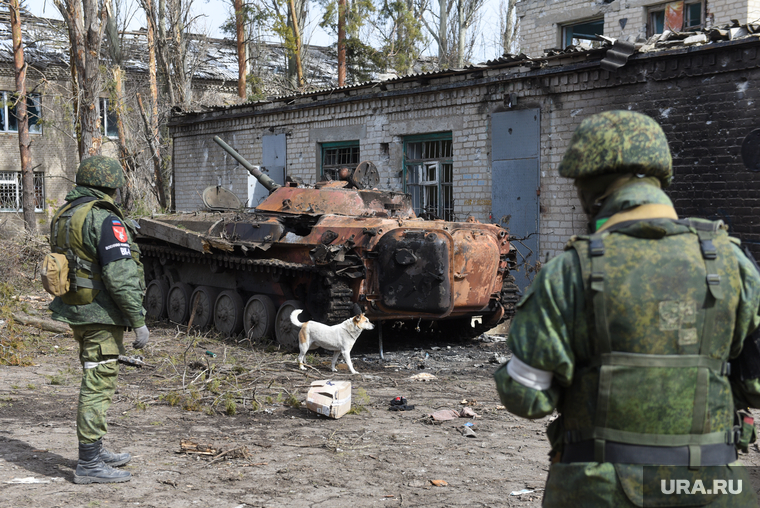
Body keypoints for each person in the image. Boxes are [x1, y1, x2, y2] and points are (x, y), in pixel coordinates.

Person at [494, 110, 760, 506]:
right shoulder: (732, 263)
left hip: (597, 489)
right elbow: (754, 387)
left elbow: (528, 398)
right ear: (660, 177)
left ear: (590, 187)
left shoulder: (568, 272)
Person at [48, 156, 149, 484]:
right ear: (110, 185)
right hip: (100, 315)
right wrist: (138, 319)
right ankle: (89, 463)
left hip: (77, 310)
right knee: (98, 384)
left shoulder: (65, 214)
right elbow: (119, 276)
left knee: (95, 378)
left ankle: (96, 449)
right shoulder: (104, 219)